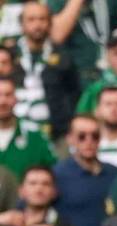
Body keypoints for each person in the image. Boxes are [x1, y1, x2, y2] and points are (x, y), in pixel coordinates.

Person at [3, 1, 78, 139]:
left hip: (55, 133)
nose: (37, 25)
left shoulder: (63, 57)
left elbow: (74, 94)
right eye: (31, 19)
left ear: (50, 23)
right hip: (12, 131)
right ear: (21, 24)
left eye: (42, 19)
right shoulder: (8, 55)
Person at [53, 115, 117, 226]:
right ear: (70, 139)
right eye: (81, 136)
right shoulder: (57, 175)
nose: (89, 141)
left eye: (95, 136)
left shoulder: (115, 174)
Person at [0, 166, 78, 226]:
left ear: (54, 191)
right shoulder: (8, 222)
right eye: (32, 183)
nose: (39, 189)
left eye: (45, 184)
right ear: (21, 191)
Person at [0, 76, 55, 181]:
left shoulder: (35, 134)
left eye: (8, 95)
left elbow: (52, 169)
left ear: (16, 99)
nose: (2, 101)